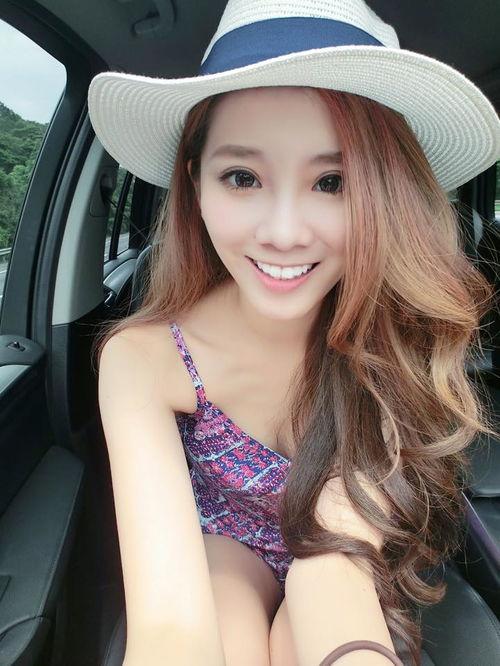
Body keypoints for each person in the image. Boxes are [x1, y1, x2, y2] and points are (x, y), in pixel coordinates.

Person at [89, 1, 500, 664]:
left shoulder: (396, 333)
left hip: (350, 551)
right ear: (196, 184)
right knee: (220, 608)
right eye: (242, 177)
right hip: (225, 551)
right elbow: (168, 625)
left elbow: (337, 557)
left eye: (332, 182)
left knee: (324, 586)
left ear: (385, 194)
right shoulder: (143, 358)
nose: (283, 232)